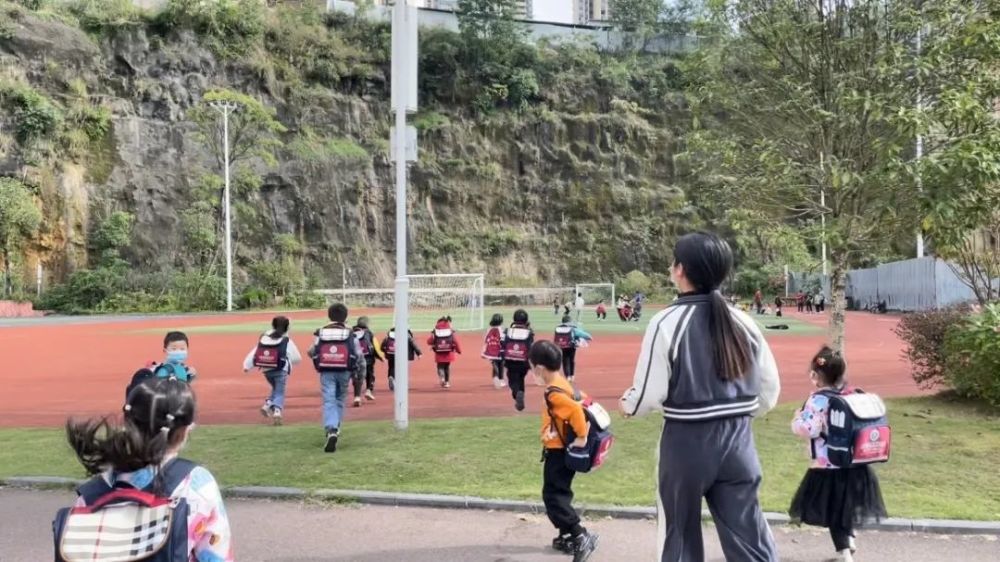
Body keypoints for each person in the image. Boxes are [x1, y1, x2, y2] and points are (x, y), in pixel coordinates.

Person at [620, 232, 781, 562]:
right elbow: (769, 392)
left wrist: (628, 405)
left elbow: (647, 395)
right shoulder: (744, 321)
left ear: (680, 269)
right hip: (739, 444)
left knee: (679, 538)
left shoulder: (666, 322)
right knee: (751, 540)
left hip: (686, 444)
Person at [62, 378, 233, 561]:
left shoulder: (93, 492)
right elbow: (217, 553)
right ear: (184, 430)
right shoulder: (195, 483)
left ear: (127, 422)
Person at [789, 347, 887, 562]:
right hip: (854, 464)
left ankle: (844, 551)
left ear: (815, 376)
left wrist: (796, 419)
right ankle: (849, 538)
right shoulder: (851, 396)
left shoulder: (817, 401)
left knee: (834, 511)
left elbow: (809, 429)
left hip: (828, 466)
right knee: (846, 507)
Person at [531, 341, 600, 562]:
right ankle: (567, 536)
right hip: (561, 449)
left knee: (552, 497)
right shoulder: (562, 383)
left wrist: (581, 437)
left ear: (539, 368)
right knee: (561, 492)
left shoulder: (553, 393)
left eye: (532, 368)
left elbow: (575, 411)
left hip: (558, 452)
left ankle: (579, 534)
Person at [309, 303, 366, 453]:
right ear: (346, 317)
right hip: (345, 370)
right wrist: (360, 375)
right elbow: (359, 355)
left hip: (326, 370)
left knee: (329, 400)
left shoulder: (321, 332)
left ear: (329, 315)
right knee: (340, 399)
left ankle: (331, 429)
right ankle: (336, 428)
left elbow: (312, 351)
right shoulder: (350, 333)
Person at [242, 315, 302, 425]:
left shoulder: (265, 337)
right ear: (287, 328)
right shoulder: (286, 339)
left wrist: (247, 366)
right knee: (280, 391)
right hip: (281, 369)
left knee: (276, 389)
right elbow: (297, 358)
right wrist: (291, 361)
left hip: (266, 370)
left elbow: (255, 352)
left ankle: (267, 405)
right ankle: (277, 410)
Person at [127, 331, 199, 399]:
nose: (178, 352)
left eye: (182, 349)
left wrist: (191, 375)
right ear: (165, 351)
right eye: (174, 349)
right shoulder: (164, 370)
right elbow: (159, 392)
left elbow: (185, 384)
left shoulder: (184, 369)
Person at [503, 308, 535, 411]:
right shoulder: (529, 332)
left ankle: (517, 394)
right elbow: (530, 347)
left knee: (512, 381)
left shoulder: (508, 331)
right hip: (524, 362)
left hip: (510, 361)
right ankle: (520, 396)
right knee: (521, 379)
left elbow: (503, 344)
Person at [351, 316, 384, 407]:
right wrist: (380, 357)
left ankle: (357, 396)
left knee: (357, 376)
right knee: (370, 374)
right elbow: (375, 346)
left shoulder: (351, 332)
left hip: (355, 358)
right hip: (368, 357)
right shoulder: (369, 333)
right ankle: (369, 390)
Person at [382, 327, 422, 391]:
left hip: (391, 354)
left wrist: (385, 352)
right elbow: (413, 344)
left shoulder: (389, 335)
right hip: (403, 355)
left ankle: (391, 376)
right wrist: (419, 353)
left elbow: (382, 346)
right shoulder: (406, 334)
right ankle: (403, 384)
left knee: (392, 367)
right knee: (403, 370)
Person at [554, 315, 593, 382]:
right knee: (571, 360)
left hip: (562, 346)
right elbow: (582, 334)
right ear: (569, 321)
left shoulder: (558, 328)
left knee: (565, 360)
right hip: (571, 346)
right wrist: (589, 337)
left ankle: (567, 376)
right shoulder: (572, 328)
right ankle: (572, 375)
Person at [428, 316, 462, 389]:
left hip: (439, 353)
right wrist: (459, 350)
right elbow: (455, 341)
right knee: (447, 367)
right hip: (449, 353)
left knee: (440, 367)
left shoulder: (436, 331)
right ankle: (447, 382)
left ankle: (442, 377)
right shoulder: (450, 331)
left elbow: (429, 341)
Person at [482, 313, 506, 389]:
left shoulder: (489, 329)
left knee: (494, 363)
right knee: (501, 364)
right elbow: (503, 340)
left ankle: (496, 377)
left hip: (491, 350)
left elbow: (486, 339)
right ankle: (501, 379)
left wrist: (484, 350)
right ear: (501, 321)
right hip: (500, 350)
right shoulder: (501, 329)